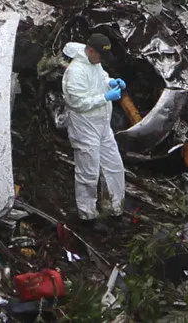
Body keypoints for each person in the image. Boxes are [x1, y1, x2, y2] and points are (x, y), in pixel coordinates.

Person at [62, 33, 126, 233]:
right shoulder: (75, 71)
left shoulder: (95, 63)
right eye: (100, 56)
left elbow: (101, 79)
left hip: (102, 126)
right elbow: (77, 102)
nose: (102, 61)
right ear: (90, 51)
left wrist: (111, 83)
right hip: (84, 128)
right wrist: (105, 97)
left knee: (115, 166)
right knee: (88, 173)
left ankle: (115, 209)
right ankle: (87, 215)